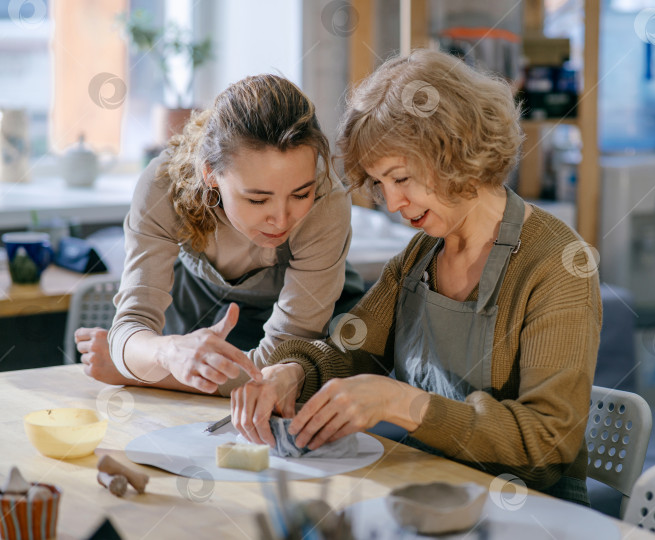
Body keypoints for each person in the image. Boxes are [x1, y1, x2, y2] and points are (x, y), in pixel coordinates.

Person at [229, 50, 601, 506]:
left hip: (531, 514)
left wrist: (400, 403)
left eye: (401, 177)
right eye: (379, 184)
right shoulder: (420, 256)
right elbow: (350, 348)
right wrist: (294, 371)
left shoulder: (557, 264)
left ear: (456, 149)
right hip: (429, 497)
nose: (391, 203)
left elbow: (546, 444)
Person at [75, 74, 364, 396]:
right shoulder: (162, 186)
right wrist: (168, 352)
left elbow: (279, 366)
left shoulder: (329, 202)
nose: (282, 219)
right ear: (210, 174)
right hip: (200, 314)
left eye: (301, 194)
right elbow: (131, 326)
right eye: (257, 199)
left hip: (314, 324)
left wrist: (140, 370)